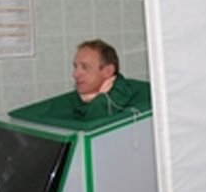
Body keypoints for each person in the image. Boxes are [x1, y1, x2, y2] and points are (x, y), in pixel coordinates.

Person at [8, 39, 149, 129]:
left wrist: (100, 99)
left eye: (85, 67)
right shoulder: (86, 95)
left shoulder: (123, 93)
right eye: (75, 66)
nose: (75, 74)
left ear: (107, 71)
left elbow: (93, 123)